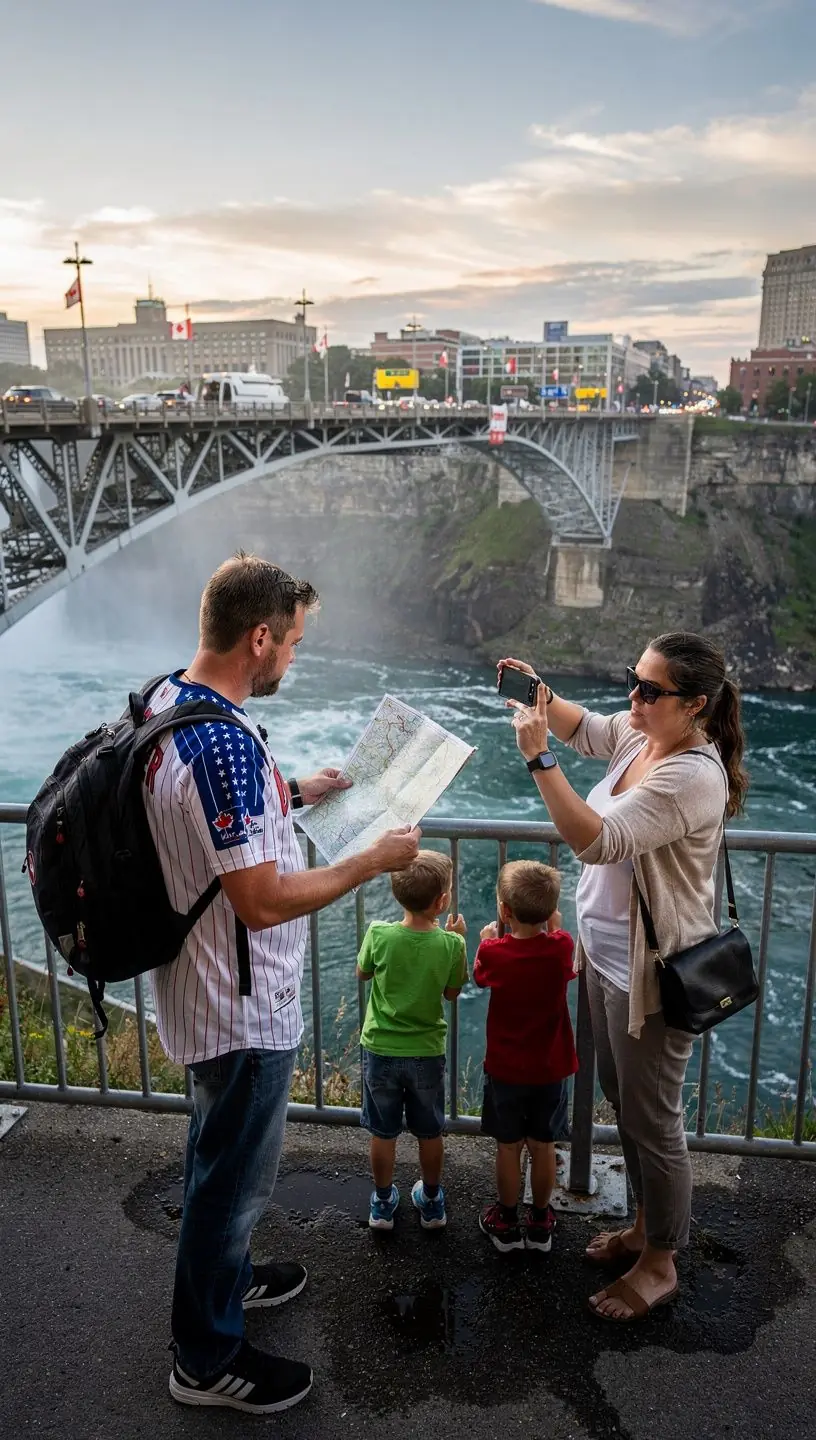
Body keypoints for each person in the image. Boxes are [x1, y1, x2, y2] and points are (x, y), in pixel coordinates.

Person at [142, 553, 420, 1414]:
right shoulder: (225, 745)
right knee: (230, 1185)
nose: (294, 658)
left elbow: (207, 821)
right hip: (239, 1007)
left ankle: (226, 1284)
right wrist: (370, 861)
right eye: (293, 644)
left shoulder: (168, 701)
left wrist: (296, 790)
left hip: (197, 990)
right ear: (259, 638)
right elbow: (261, 902)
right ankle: (206, 1359)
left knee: (214, 1160)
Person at [498, 633, 747, 1323]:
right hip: (606, 959)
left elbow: (596, 840)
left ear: (695, 705)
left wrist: (539, 758)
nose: (633, 697)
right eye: (631, 679)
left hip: (652, 975)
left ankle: (661, 1261)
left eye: (650, 689)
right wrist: (542, 696)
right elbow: (586, 727)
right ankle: (643, 1227)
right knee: (624, 1102)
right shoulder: (642, 735)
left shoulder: (692, 776)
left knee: (654, 1121)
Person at [356, 850, 468, 1231]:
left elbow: (362, 972)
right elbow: (451, 993)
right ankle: (432, 1202)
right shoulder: (452, 945)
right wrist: (455, 941)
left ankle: (382, 1203)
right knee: (429, 1129)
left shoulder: (379, 933)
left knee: (382, 1131)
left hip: (380, 1050)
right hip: (426, 1053)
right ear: (442, 901)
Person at [474, 860, 576, 1254]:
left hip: (506, 1070)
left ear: (504, 911)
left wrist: (486, 938)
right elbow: (561, 946)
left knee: (508, 1144)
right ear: (551, 912)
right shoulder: (560, 947)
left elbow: (480, 976)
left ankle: (505, 1218)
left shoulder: (494, 952)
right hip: (550, 1068)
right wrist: (555, 926)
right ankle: (540, 1221)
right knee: (544, 1144)